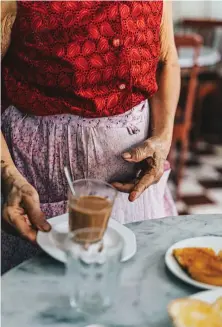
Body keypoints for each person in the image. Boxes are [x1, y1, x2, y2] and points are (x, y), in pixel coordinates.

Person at [1, 0, 180, 272]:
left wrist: (163, 138)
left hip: (135, 187)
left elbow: (167, 60)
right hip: (39, 182)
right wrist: (8, 176)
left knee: (134, 288)